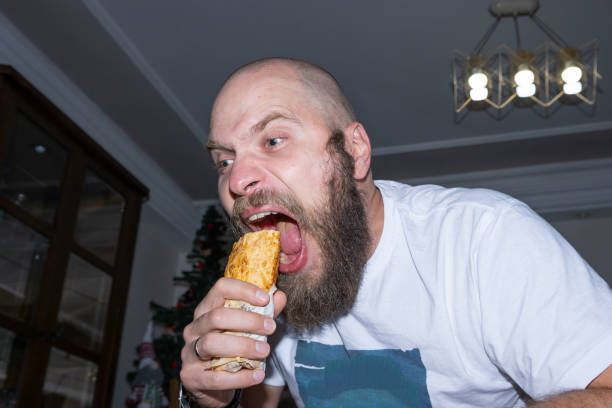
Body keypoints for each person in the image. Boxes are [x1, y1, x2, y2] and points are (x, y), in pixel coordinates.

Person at [180, 58, 612, 407]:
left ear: (354, 152)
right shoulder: (267, 290)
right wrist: (208, 398)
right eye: (224, 160)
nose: (237, 179)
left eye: (273, 141)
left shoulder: (483, 238)